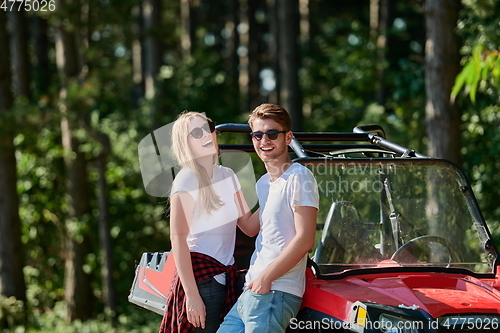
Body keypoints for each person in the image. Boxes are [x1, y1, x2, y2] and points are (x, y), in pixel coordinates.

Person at [217, 103, 319, 333]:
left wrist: (266, 278)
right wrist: (227, 186)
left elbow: (305, 240)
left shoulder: (299, 177)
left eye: (272, 133)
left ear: (288, 137)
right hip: (252, 290)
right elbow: (249, 227)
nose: (264, 140)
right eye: (258, 134)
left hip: (276, 290)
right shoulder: (264, 183)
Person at [159, 111, 259, 333]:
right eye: (196, 132)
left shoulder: (228, 175)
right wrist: (192, 296)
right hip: (201, 280)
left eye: (209, 127)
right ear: (185, 142)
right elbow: (178, 240)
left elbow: (250, 227)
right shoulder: (186, 179)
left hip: (227, 278)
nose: (206, 134)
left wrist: (276, 189)